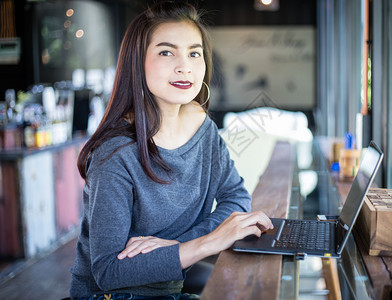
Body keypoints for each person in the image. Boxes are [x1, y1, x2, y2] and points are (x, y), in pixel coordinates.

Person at [69, 1, 273, 299]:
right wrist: (205, 243)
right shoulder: (115, 154)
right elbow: (109, 272)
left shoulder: (203, 130)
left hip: (170, 289)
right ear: (137, 62)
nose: (184, 66)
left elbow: (236, 198)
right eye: (166, 52)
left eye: (194, 53)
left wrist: (178, 244)